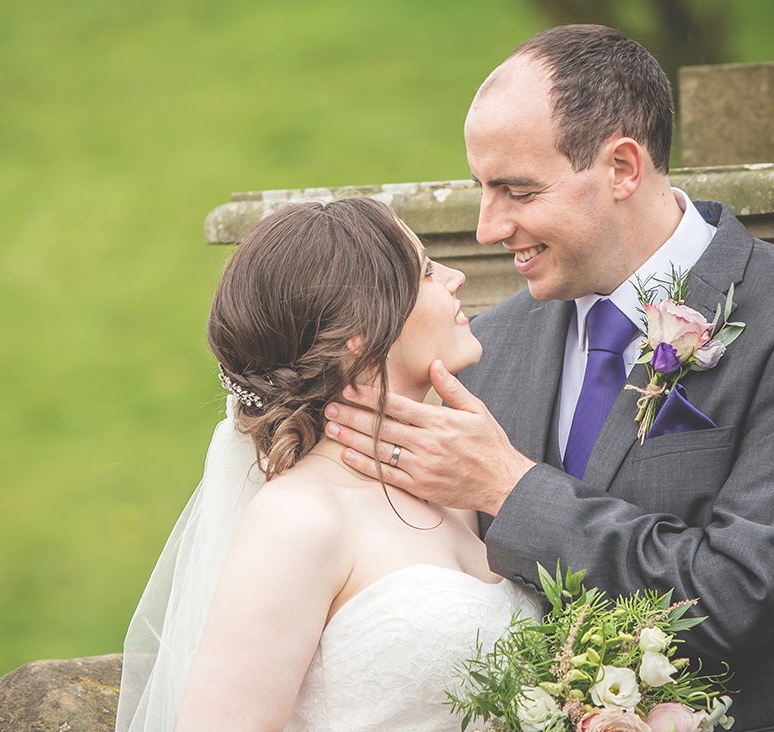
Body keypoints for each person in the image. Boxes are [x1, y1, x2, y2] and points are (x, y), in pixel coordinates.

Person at [323, 24, 774, 729]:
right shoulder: (486, 349)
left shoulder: (768, 318)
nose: (486, 228)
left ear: (622, 168)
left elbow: (740, 594)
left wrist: (508, 488)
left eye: (515, 190)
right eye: (480, 188)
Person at [115, 197, 539, 731]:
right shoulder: (297, 519)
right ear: (361, 337)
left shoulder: (449, 485)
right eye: (427, 272)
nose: (456, 277)